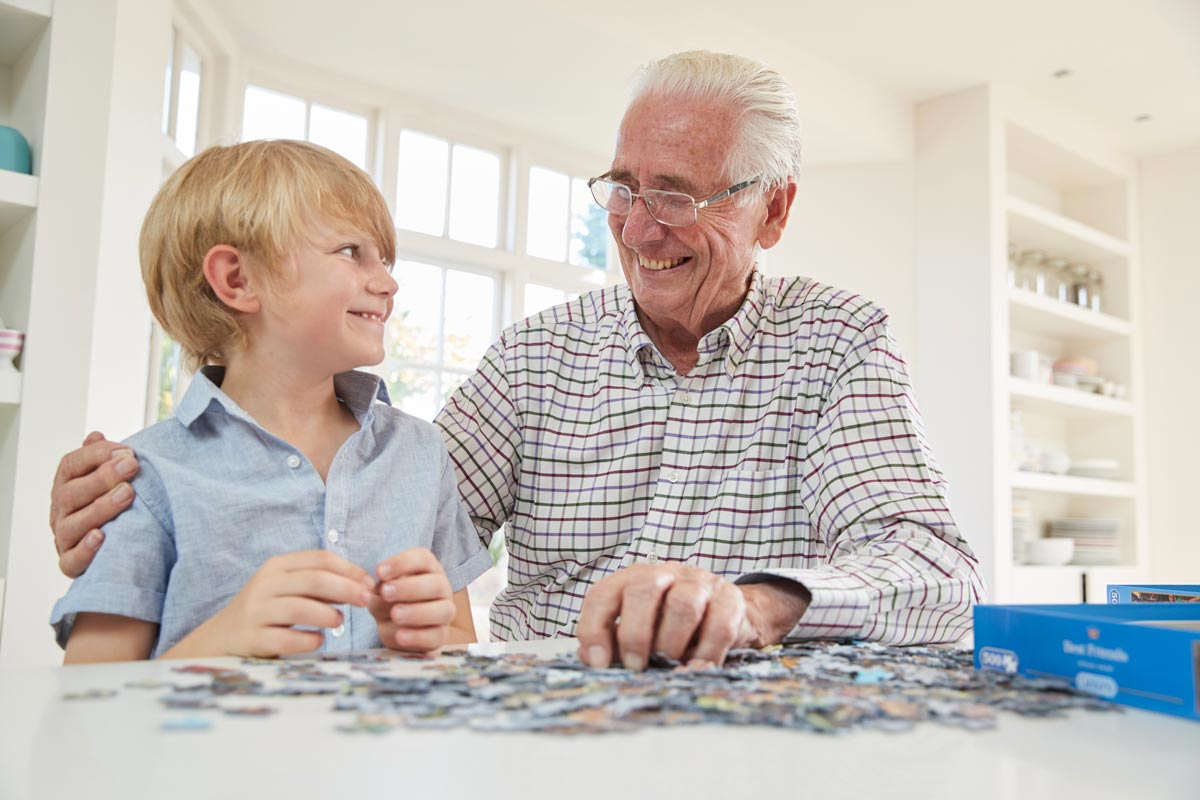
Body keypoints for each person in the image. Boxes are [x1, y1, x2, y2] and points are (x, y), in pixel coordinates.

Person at [49, 51, 984, 670]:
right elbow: (362, 491)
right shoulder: (536, 359)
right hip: (543, 737)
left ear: (772, 212)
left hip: (758, 739)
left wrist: (760, 604)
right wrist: (146, 495)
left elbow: (937, 577)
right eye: (622, 188)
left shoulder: (837, 341)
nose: (639, 227)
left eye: (678, 195)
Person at [50, 140, 492, 662]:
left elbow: (460, 637)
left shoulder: (419, 452)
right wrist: (217, 641)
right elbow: (87, 701)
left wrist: (424, 634)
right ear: (238, 279)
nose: (388, 281)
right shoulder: (142, 478)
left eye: (385, 258)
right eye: (352, 252)